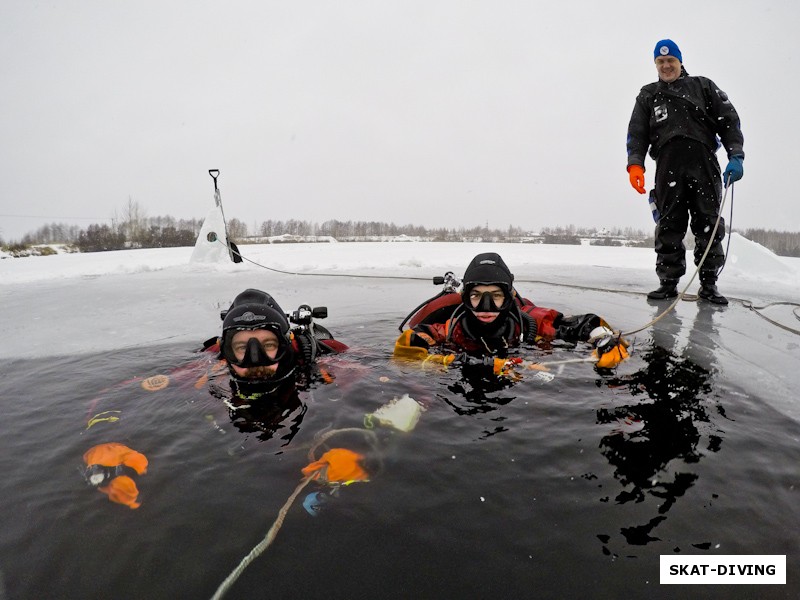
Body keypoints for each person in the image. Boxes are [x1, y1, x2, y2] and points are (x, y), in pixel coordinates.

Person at [626, 39, 744, 305]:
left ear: (680, 61)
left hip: (704, 164)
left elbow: (729, 121)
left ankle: (709, 284)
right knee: (669, 224)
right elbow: (636, 133)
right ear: (655, 64)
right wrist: (635, 163)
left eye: (671, 61)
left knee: (708, 224)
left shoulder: (703, 86)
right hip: (668, 167)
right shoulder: (648, 95)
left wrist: (736, 155)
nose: (666, 66)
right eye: (660, 61)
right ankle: (668, 283)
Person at [394, 252, 629, 370]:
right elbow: (411, 345)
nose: (486, 307)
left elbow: (581, 324)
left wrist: (604, 338)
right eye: (476, 296)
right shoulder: (450, 329)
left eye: (495, 296)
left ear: (509, 298)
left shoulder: (529, 324)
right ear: (465, 299)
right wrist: (464, 362)